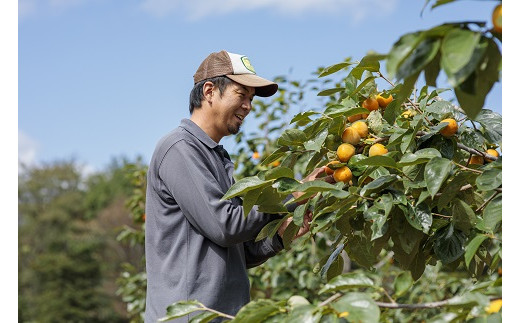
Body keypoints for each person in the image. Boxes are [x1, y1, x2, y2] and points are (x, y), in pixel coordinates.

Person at [144, 50, 326, 322]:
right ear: (209, 91)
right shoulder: (180, 148)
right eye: (241, 95)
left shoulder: (217, 156)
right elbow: (225, 226)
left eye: (251, 99)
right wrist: (294, 194)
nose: (248, 106)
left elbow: (238, 252)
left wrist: (280, 235)